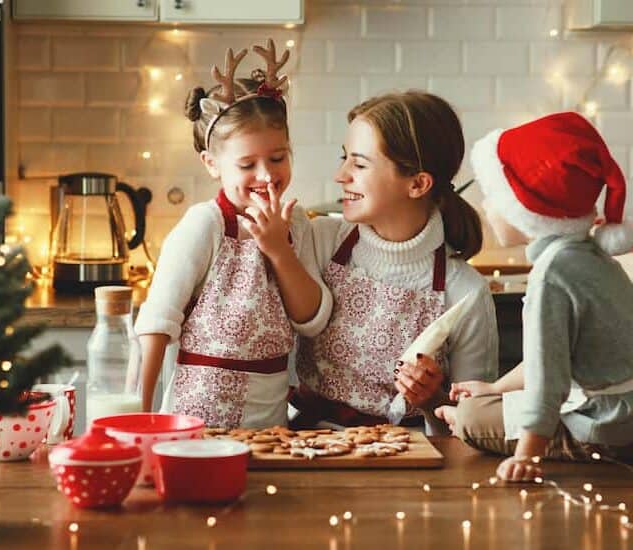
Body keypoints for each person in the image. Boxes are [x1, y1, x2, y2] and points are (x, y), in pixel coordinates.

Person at [436, 112, 633, 480]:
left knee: (472, 416)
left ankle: (471, 423)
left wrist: (526, 457)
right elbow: (552, 357)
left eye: (493, 196)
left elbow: (550, 381)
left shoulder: (551, 276)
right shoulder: (589, 254)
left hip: (606, 426)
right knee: (489, 400)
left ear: (528, 210)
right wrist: (496, 388)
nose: (485, 207)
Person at [134, 41, 332, 428]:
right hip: (198, 415)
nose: (266, 175)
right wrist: (139, 414)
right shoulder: (204, 225)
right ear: (212, 164)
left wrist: (279, 250)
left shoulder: (297, 225)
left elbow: (311, 319)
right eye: (247, 164)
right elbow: (158, 321)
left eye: (278, 158)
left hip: (269, 419)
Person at [292, 91, 498, 432]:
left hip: (407, 459)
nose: (340, 175)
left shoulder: (465, 291)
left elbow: (475, 426)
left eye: (358, 164)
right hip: (307, 443)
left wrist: (434, 401)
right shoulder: (321, 241)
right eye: (345, 159)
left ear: (417, 184)